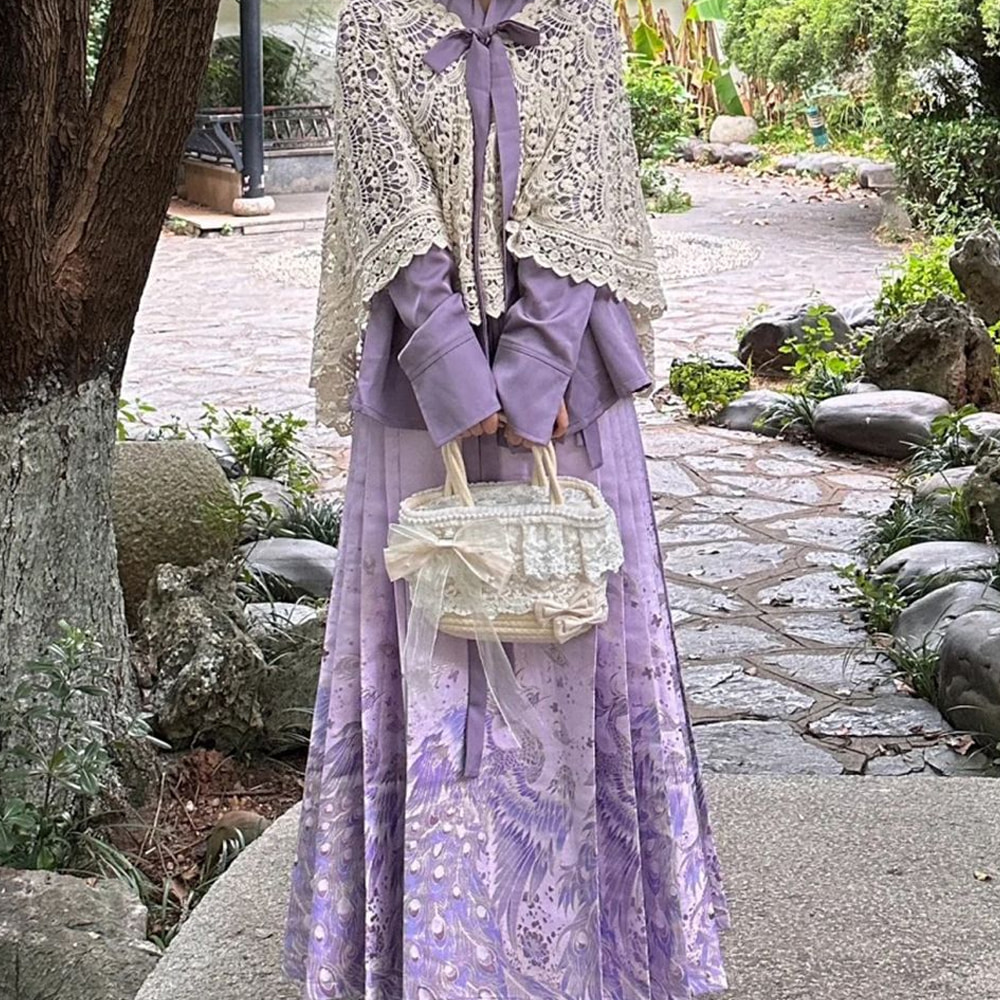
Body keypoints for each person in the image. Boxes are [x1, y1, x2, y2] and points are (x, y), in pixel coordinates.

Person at [283, 1, 729, 998]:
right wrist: (452, 367)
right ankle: (439, 955)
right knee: (434, 651)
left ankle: (585, 959)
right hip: (420, 398)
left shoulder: (581, 22)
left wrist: (533, 367)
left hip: (566, 392)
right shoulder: (375, 24)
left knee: (568, 638)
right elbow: (391, 206)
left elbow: (583, 198)